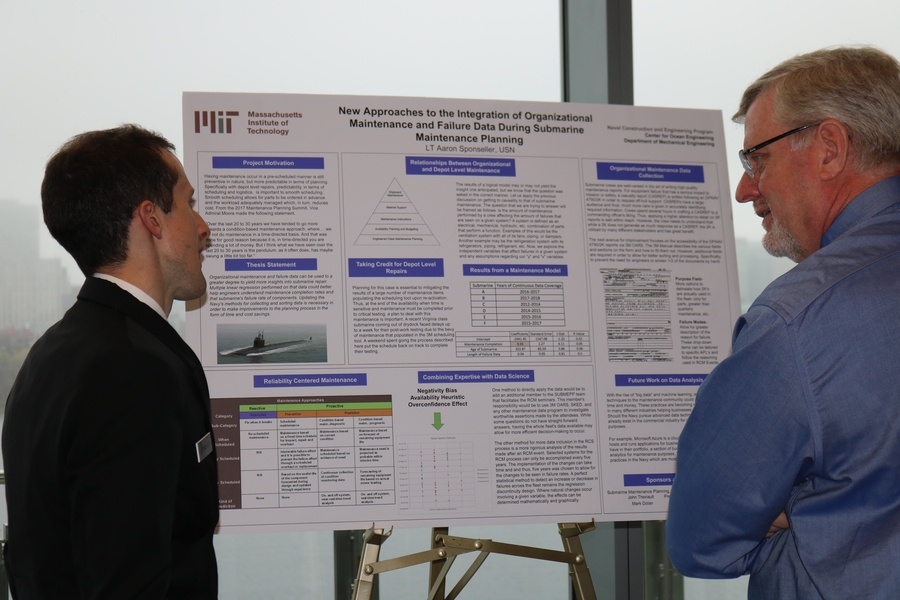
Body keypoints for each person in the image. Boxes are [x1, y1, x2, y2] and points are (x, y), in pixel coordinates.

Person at [666, 46, 900, 598]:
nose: (745, 189)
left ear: (829, 149)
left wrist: (798, 505)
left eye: (757, 159)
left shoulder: (796, 321)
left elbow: (700, 539)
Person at [2, 125, 218, 598]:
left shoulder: (50, 354)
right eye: (188, 203)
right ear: (152, 219)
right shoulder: (134, 371)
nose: (203, 228)